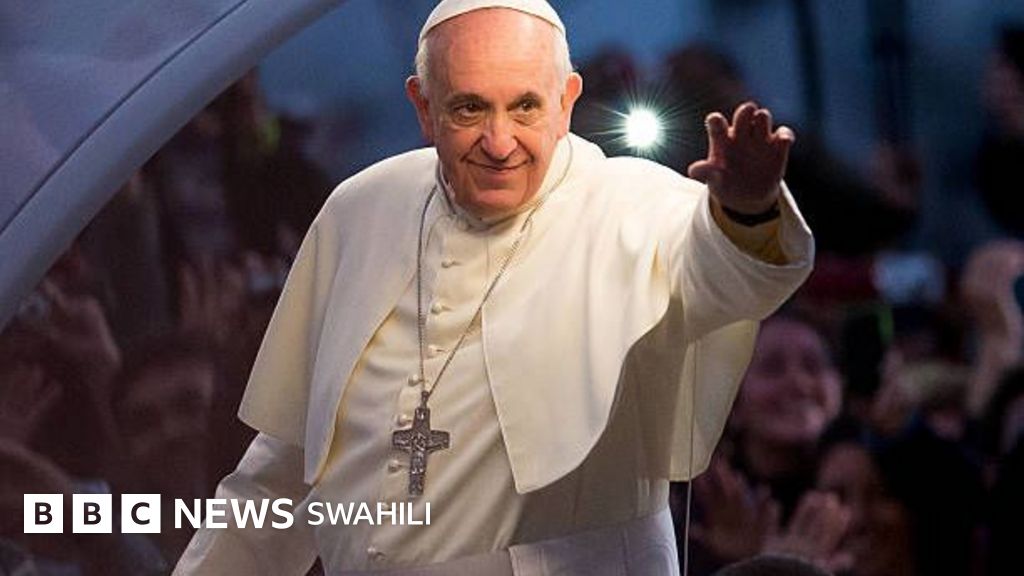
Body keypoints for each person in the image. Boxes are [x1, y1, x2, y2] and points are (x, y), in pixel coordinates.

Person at [174, 0, 814, 574]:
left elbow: (723, 271)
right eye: (469, 108)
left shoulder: (634, 204)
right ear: (423, 107)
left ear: (566, 101)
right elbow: (286, 466)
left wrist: (746, 210)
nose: (500, 143)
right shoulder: (359, 211)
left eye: (525, 106)